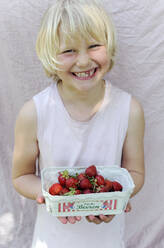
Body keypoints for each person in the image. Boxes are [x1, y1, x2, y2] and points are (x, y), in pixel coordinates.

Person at [12, 0, 145, 247]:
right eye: (68, 51)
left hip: (108, 240)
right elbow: (21, 175)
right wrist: (49, 194)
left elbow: (134, 173)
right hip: (51, 241)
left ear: (109, 44)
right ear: (50, 55)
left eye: (94, 46)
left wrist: (119, 194)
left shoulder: (129, 109)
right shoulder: (34, 113)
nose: (83, 61)